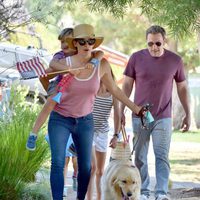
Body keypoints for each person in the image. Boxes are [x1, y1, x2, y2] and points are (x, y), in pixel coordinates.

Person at [47, 23, 143, 200]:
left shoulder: (102, 64)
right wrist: (54, 85)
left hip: (85, 120)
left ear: (93, 43)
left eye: (90, 41)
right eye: (81, 41)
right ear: (75, 43)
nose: (86, 44)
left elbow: (115, 90)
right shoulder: (65, 62)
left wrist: (136, 108)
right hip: (60, 118)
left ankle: (80, 198)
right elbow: (46, 74)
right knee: (58, 163)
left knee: (85, 167)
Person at [120, 25, 191, 200]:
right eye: (150, 43)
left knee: (162, 156)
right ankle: (143, 191)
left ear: (164, 41)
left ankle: (161, 192)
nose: (154, 47)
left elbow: (182, 88)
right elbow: (127, 85)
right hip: (140, 116)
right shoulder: (136, 58)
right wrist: (121, 110)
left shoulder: (175, 61)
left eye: (158, 43)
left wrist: (188, 113)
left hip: (163, 116)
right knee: (140, 157)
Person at [26, 28, 103, 151]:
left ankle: (75, 145)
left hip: (75, 90)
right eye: (62, 42)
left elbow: (100, 53)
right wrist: (69, 69)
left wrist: (94, 62)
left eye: (67, 41)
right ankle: (33, 133)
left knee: (79, 115)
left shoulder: (83, 53)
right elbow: (53, 63)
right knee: (50, 103)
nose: (64, 44)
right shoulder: (60, 55)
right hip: (61, 85)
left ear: (75, 42)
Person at [86, 69, 120, 200]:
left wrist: (116, 135)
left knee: (100, 171)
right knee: (92, 168)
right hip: (88, 132)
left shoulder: (113, 92)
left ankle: (99, 197)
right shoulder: (92, 89)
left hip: (103, 133)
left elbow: (117, 113)